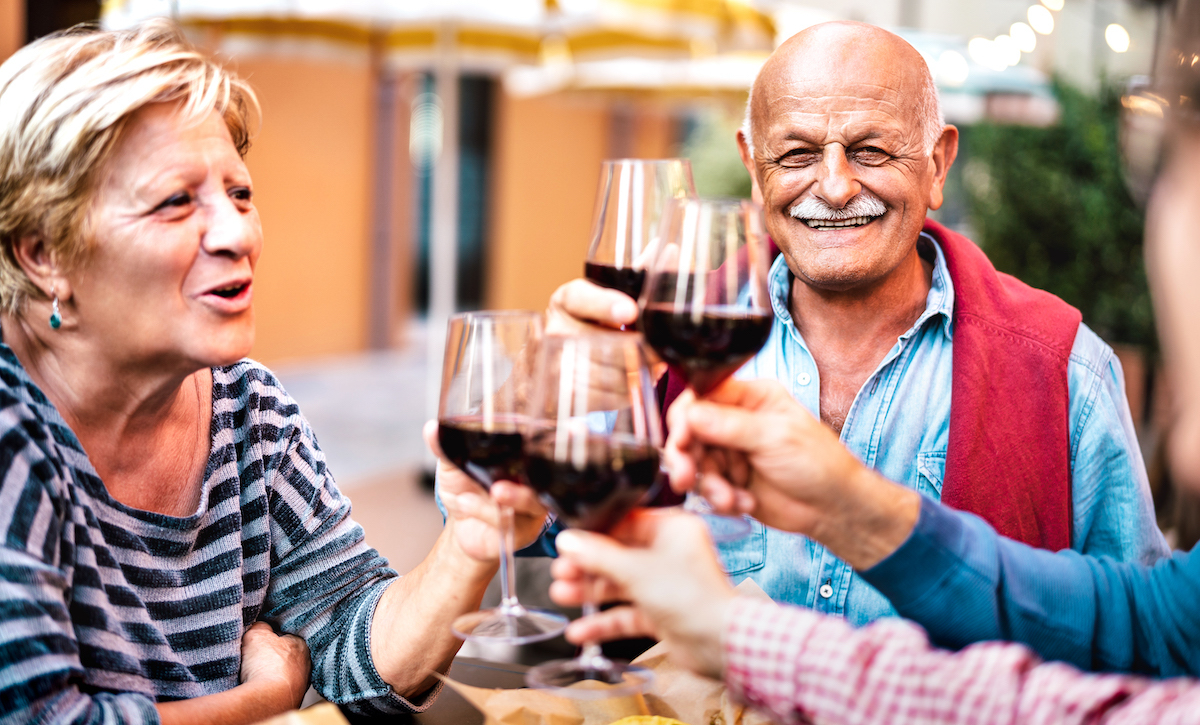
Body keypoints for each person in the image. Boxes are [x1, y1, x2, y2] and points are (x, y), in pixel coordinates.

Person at [543, 5, 1200, 720]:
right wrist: (542, 409)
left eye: (871, 150)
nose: (833, 185)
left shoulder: (1068, 371)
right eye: (795, 153)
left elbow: (1147, 639)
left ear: (939, 163)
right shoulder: (664, 344)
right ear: (752, 168)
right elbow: (548, 537)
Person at [0, 21, 536, 724]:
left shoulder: (250, 410)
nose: (239, 233)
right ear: (44, 252)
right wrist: (265, 699)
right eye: (176, 201)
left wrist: (468, 543)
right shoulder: (14, 434)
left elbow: (352, 641)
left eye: (240, 193)